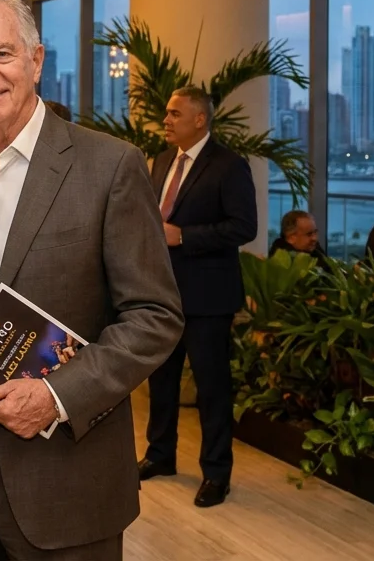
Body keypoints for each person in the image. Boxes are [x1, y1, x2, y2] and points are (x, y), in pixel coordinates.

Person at [0, 0, 184, 558]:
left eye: (2, 53)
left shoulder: (109, 166)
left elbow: (155, 316)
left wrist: (57, 395)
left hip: (65, 465)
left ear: (36, 60)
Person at [141, 86, 257, 509]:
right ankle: (160, 455)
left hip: (208, 298)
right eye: (167, 113)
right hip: (162, 294)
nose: (166, 120)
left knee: (211, 390)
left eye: (174, 114)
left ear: (199, 120)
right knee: (162, 381)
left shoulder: (229, 166)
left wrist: (185, 236)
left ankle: (216, 474)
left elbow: (244, 227)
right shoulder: (162, 161)